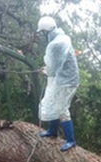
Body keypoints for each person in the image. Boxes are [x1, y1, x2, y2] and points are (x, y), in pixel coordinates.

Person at [36, 16, 80, 152]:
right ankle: (52, 130)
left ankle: (71, 140)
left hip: (66, 81)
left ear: (45, 31)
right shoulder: (62, 38)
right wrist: (48, 69)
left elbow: (53, 67)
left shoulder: (56, 44)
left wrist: (46, 71)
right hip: (63, 78)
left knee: (61, 109)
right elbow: (56, 62)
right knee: (53, 104)